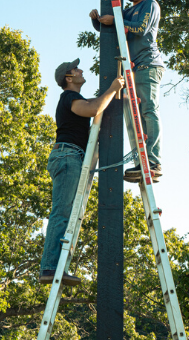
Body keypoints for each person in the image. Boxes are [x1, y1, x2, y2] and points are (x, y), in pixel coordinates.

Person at [40, 58, 125, 285]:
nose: (81, 70)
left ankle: (58, 266)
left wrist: (114, 96)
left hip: (71, 156)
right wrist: (113, 89)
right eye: (75, 69)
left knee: (69, 215)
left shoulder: (75, 98)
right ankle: (49, 267)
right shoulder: (69, 97)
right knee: (62, 213)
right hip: (67, 156)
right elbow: (93, 108)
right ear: (69, 78)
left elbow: (96, 105)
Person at [89, 0, 165, 183]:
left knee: (149, 110)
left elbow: (140, 29)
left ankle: (154, 162)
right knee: (136, 117)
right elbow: (115, 28)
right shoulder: (129, 11)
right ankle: (142, 162)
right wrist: (98, 21)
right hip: (133, 68)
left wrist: (116, 20)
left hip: (148, 65)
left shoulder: (150, 5)